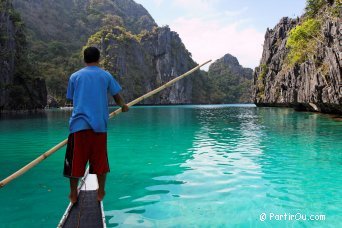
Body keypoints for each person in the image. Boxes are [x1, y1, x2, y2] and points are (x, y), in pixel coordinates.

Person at [63, 46, 129, 203]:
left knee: (75, 162)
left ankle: (73, 193)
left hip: (78, 126)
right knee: (100, 161)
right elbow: (117, 96)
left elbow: (71, 98)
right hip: (99, 126)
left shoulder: (75, 77)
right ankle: (101, 191)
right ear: (98, 59)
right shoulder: (105, 76)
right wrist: (123, 106)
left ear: (84, 59)